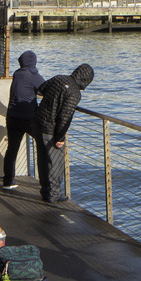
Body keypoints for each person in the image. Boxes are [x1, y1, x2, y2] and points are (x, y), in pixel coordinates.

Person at [31, 63, 94, 203]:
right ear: (86, 80)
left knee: (42, 159)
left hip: (37, 123)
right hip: (50, 129)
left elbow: (41, 89)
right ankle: (53, 195)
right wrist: (60, 138)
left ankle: (45, 191)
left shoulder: (58, 78)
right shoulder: (74, 93)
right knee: (55, 162)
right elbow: (64, 118)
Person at [2, 51, 45, 189]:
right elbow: (46, 89)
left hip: (12, 116)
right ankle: (46, 185)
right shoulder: (32, 74)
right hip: (28, 118)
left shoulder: (17, 73)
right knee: (43, 144)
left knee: (12, 149)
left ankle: (8, 181)